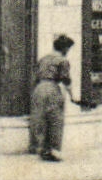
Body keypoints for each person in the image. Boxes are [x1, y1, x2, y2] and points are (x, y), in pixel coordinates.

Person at [29, 34, 76, 162]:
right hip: (51, 88)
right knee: (55, 118)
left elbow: (35, 77)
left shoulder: (43, 59)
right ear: (65, 49)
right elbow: (66, 80)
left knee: (41, 118)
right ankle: (54, 151)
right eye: (68, 49)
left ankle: (42, 149)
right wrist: (72, 96)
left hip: (38, 89)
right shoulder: (62, 61)